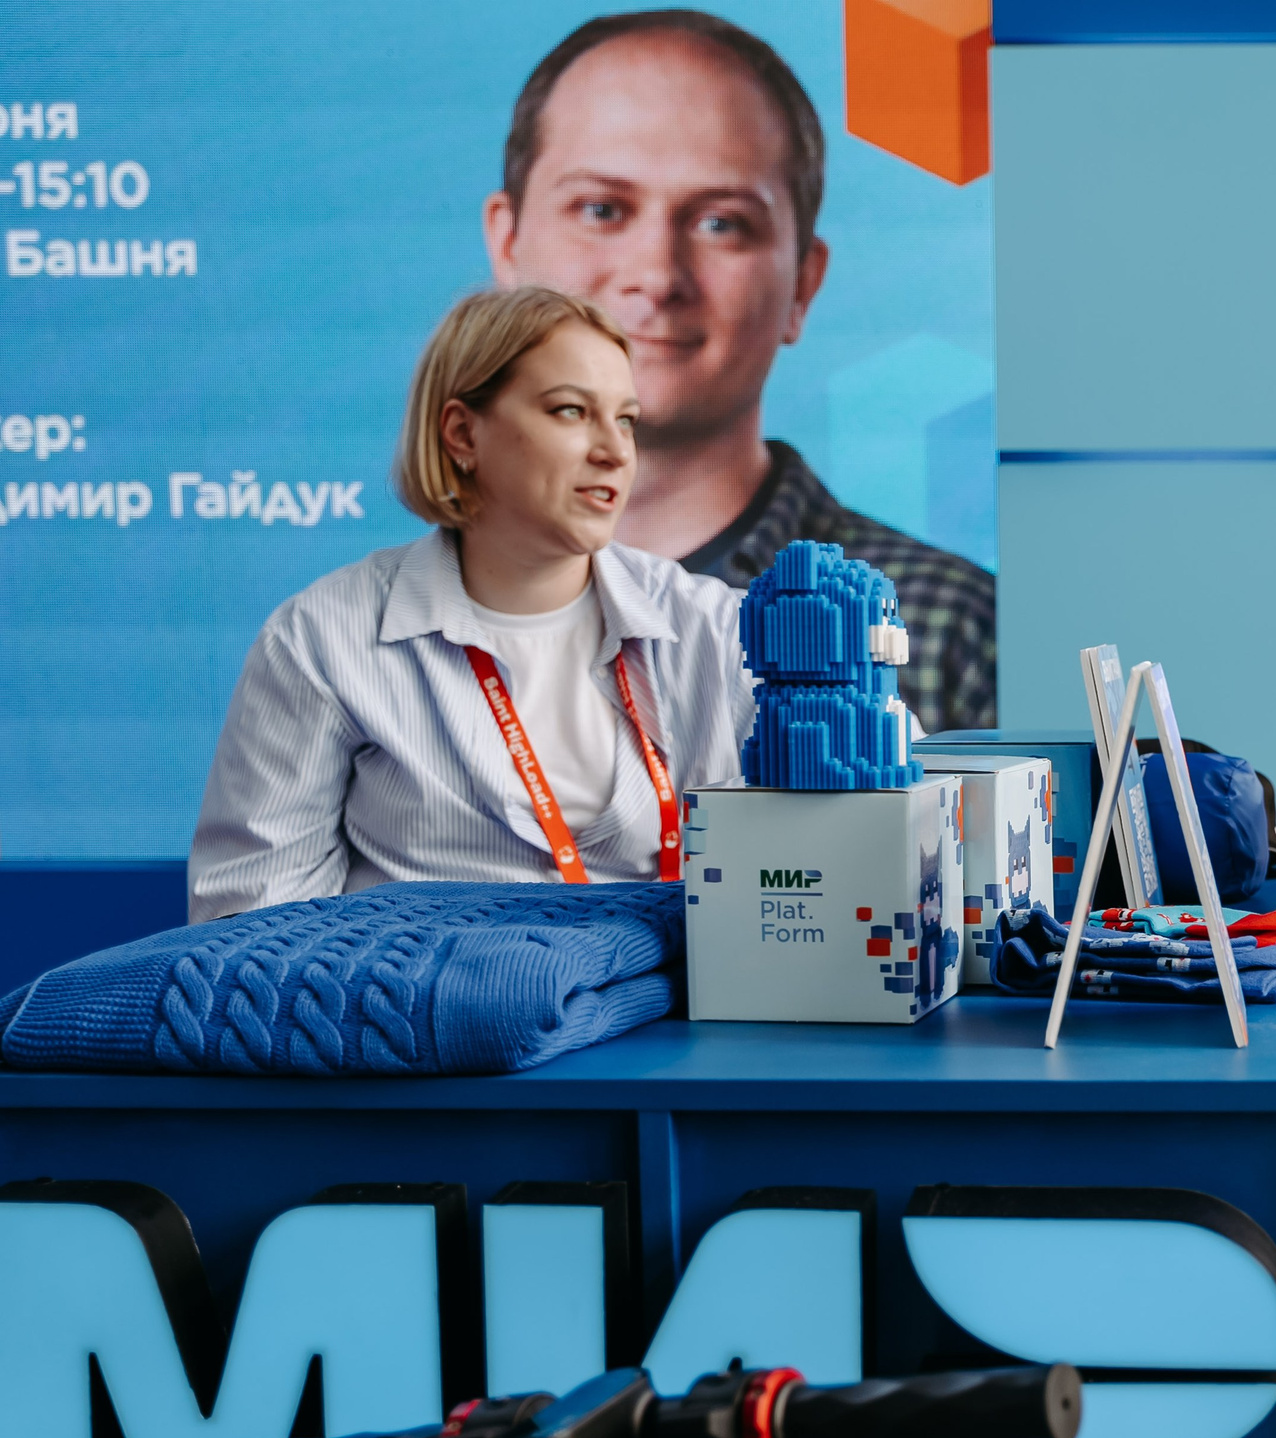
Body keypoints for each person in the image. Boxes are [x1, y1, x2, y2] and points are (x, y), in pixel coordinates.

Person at [485, 9, 995, 733]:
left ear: (801, 286)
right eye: (601, 209)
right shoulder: (381, 627)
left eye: (720, 222)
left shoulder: (948, 638)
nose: (656, 276)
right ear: (506, 245)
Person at [189, 287, 752, 922]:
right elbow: (249, 925)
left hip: (663, 1015)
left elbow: (783, 895)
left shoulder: (714, 626)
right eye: (571, 411)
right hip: (413, 1018)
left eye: (626, 419)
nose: (616, 452)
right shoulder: (322, 639)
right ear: (462, 432)